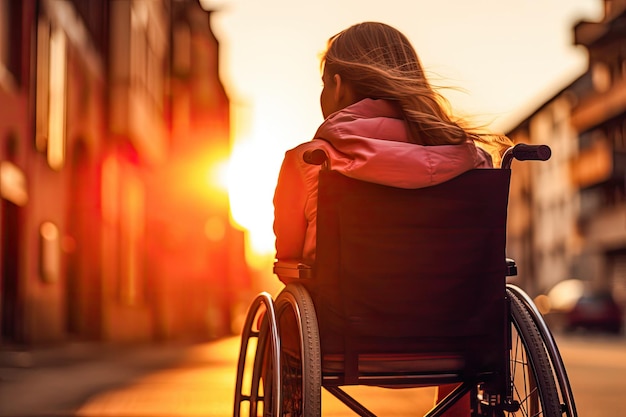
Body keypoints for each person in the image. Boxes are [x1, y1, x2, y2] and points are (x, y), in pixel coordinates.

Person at [272, 21, 511, 416]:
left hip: (342, 340)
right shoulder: (472, 162)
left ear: (337, 84)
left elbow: (287, 261)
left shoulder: (309, 162)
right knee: (464, 296)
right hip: (458, 341)